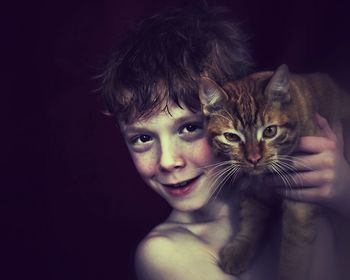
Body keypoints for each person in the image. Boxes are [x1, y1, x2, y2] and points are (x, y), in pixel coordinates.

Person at [100, 7, 350, 280]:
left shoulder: (286, 188)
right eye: (143, 138)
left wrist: (343, 194)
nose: (168, 161)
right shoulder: (164, 253)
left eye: (190, 127)